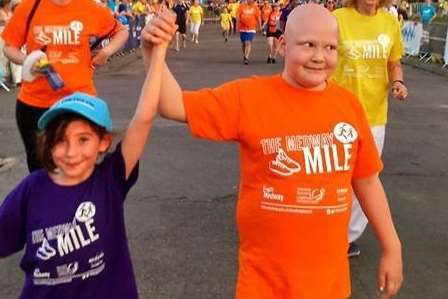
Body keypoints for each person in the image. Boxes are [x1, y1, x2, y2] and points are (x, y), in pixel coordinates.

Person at [142, 4, 403, 299]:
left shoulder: (349, 106)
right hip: (264, 284)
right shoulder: (249, 97)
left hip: (328, 284)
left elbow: (367, 181)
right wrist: (153, 54)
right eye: (308, 45)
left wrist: (392, 246)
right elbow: (172, 104)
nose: (319, 56)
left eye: (330, 47)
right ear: (282, 45)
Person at [0, 12, 173, 298]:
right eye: (60, 141)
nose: (71, 152)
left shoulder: (110, 180)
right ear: (47, 145)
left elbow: (143, 117)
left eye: (84, 139)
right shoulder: (31, 190)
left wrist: (158, 55)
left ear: (104, 142)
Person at [1, 0, 129, 173]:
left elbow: (121, 31)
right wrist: (27, 61)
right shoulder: (29, 7)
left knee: (78, 169)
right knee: (41, 172)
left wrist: (106, 51)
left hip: (79, 105)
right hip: (36, 104)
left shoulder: (90, 8)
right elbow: (9, 48)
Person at [332, 0, 408, 257]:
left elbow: (393, 62)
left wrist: (397, 82)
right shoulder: (338, 18)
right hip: (338, 112)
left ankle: (345, 238)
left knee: (365, 177)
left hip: (374, 115)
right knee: (333, 174)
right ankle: (322, 228)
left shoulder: (389, 22)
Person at [236, 0, 261, 64]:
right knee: (243, 43)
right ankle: (245, 55)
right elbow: (238, 16)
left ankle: (246, 57)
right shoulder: (241, 6)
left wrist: (260, 27)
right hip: (242, 28)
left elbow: (258, 18)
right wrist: (237, 25)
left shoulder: (255, 8)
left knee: (248, 42)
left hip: (251, 28)